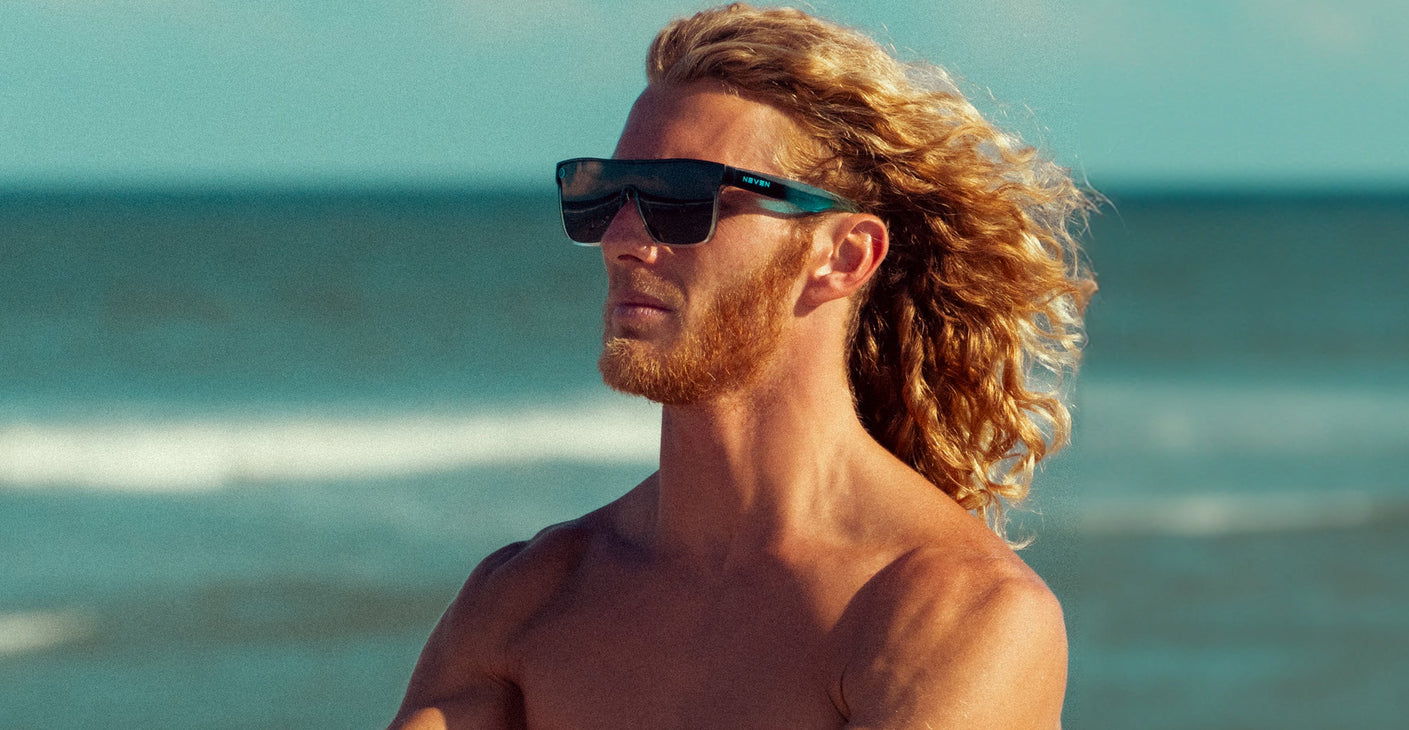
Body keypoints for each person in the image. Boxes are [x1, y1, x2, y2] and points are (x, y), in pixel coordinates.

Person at [390, 3, 1094, 728]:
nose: (623, 238)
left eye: (682, 198)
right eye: (606, 193)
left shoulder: (950, 612)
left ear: (843, 256)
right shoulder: (528, 597)